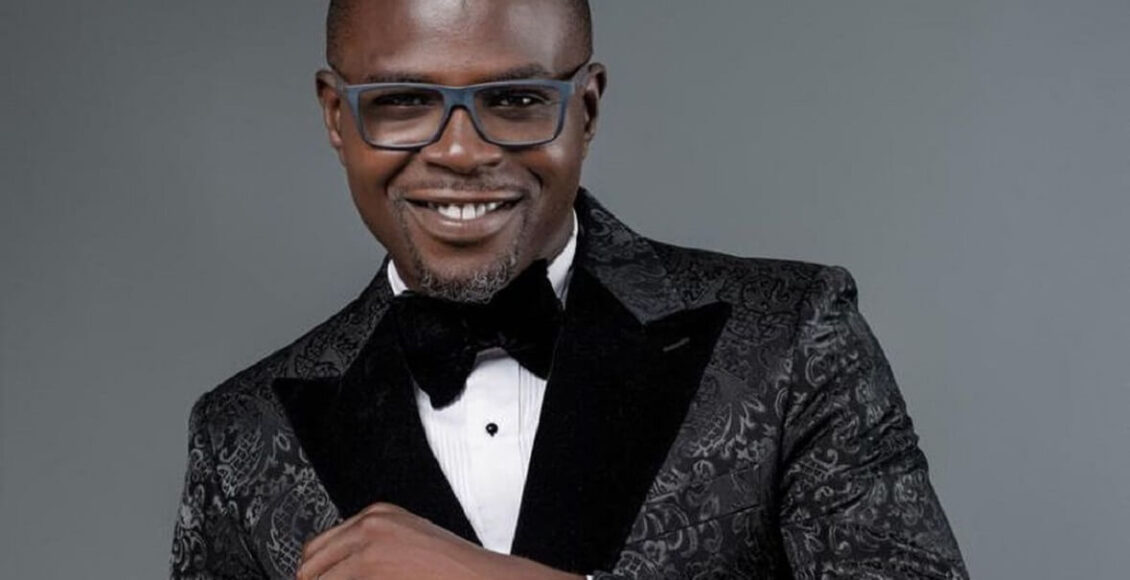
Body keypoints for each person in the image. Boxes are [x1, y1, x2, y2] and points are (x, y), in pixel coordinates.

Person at [171, 0, 968, 578]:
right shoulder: (241, 438)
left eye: (515, 100)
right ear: (336, 117)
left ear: (585, 110)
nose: (459, 151)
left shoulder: (791, 338)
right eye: (404, 101)